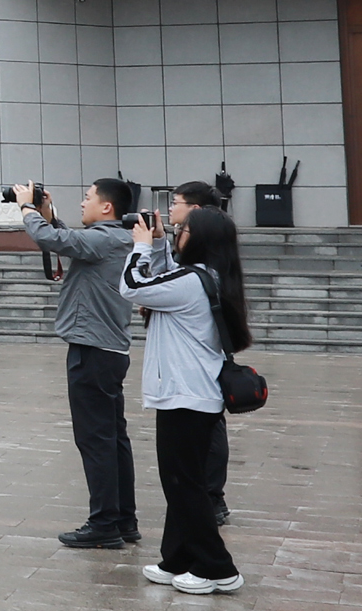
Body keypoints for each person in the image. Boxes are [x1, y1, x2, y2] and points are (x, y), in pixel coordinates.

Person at [121, 204, 251, 595]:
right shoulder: (207, 276)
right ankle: (177, 559)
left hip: (186, 397)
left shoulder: (192, 281)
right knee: (181, 483)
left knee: (185, 485)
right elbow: (164, 280)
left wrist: (142, 246)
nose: (178, 232)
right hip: (194, 393)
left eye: (184, 229)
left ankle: (217, 568)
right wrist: (162, 242)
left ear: (202, 239)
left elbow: (132, 286)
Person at [20, 179, 144, 551]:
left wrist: (27, 209)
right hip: (108, 350)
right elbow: (70, 239)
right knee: (113, 439)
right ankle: (123, 519)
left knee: (95, 440)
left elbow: (53, 240)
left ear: (107, 207)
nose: (82, 203)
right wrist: (48, 213)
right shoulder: (116, 238)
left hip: (92, 351)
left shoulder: (106, 239)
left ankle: (104, 523)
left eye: (88, 197)